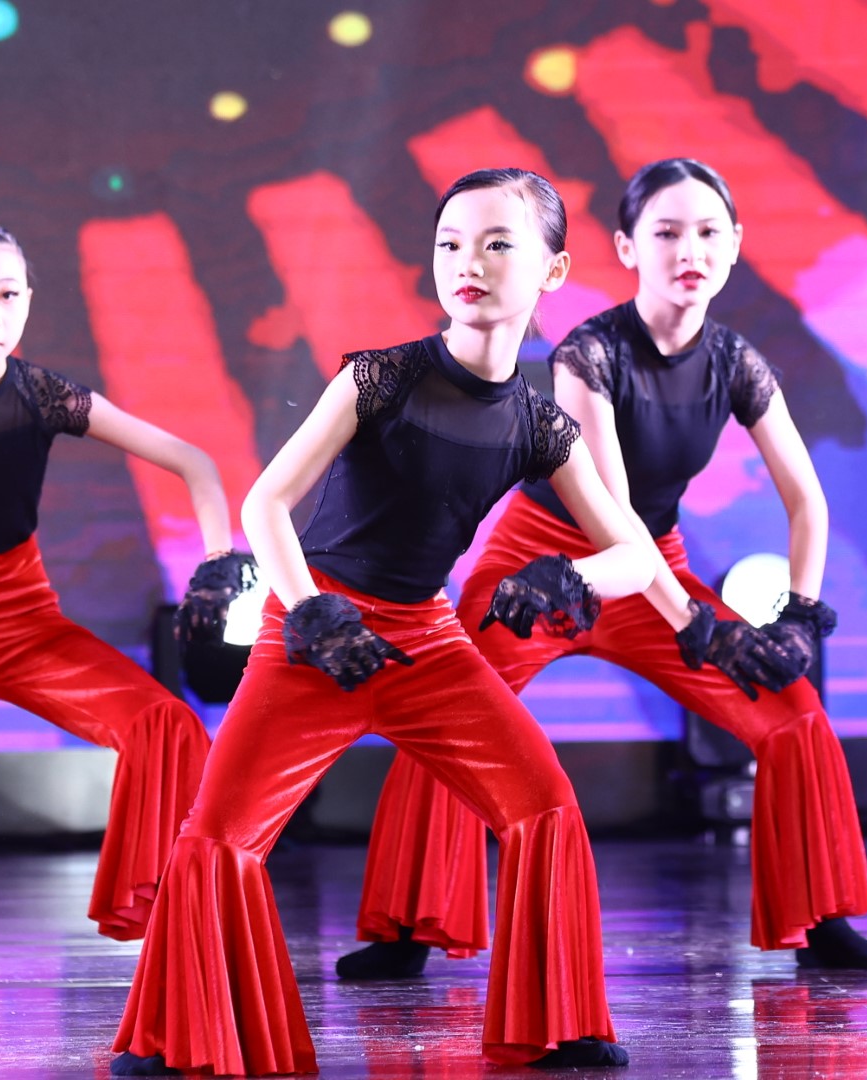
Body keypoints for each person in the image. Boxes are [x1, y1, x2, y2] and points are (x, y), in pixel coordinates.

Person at [110, 168, 654, 1075]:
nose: (468, 263)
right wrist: (311, 611)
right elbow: (265, 504)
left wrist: (570, 574)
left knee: (546, 808)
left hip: (428, 644)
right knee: (220, 838)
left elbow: (636, 555)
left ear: (554, 271)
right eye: (451, 244)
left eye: (497, 244)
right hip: (313, 630)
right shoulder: (380, 377)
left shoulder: (539, 424)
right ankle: (178, 1041)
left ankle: (560, 1024)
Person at [337, 157, 867, 983]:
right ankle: (407, 925)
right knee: (444, 712)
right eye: (666, 232)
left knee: (791, 708)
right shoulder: (588, 353)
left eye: (707, 232)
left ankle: (822, 919)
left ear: (735, 246)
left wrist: (801, 617)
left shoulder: (737, 363)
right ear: (629, 248)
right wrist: (697, 624)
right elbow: (615, 513)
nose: (688, 250)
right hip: (541, 566)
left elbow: (807, 501)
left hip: (649, 572)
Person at [0, 215, 232, 941]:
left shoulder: (42, 394)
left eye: (7, 295)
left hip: (22, 628)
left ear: (29, 299)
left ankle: (171, 924)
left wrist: (216, 568)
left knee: (168, 727)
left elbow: (195, 463)